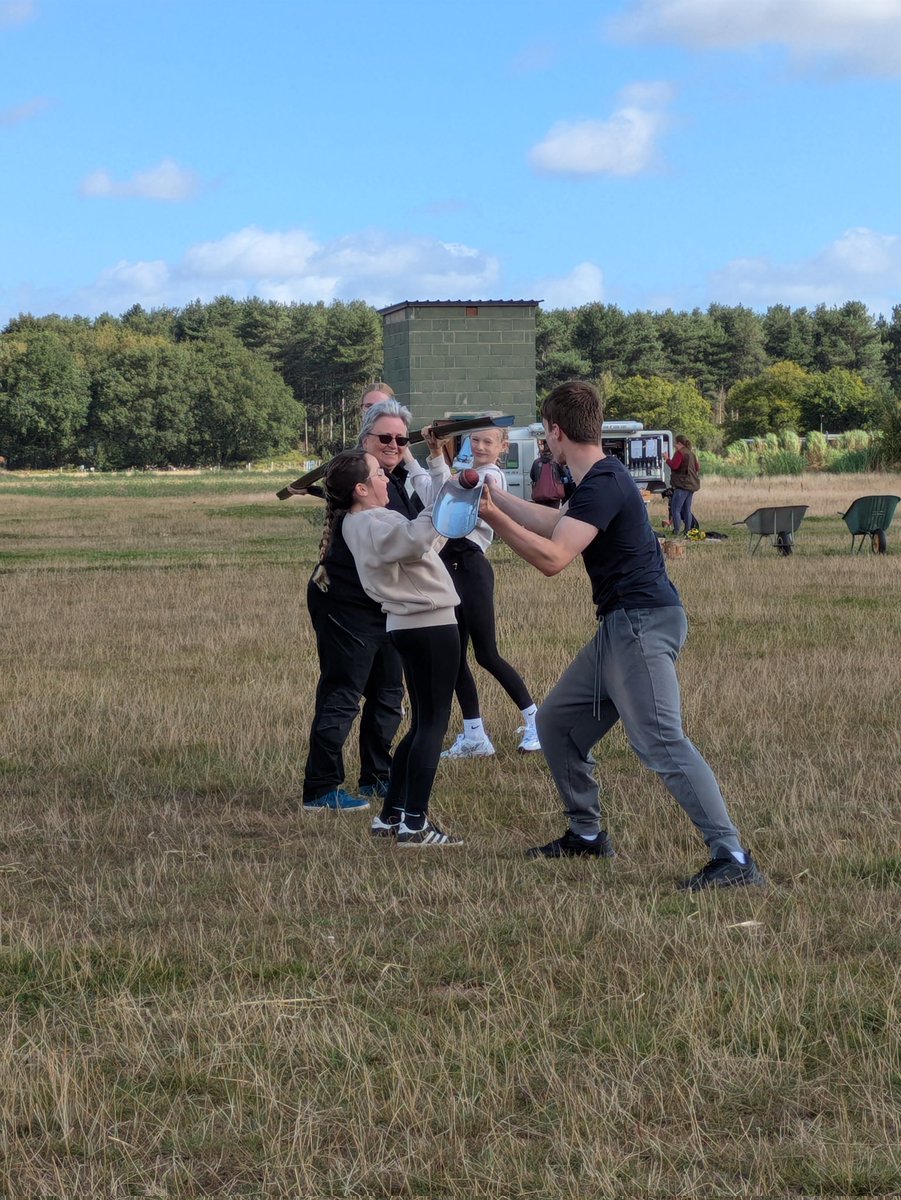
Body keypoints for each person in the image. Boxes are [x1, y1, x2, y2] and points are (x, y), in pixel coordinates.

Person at [478, 380, 765, 891]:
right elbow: (558, 523)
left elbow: (554, 557)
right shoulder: (600, 480)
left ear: (556, 432)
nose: (545, 442)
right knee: (557, 726)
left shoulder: (604, 482)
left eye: (545, 433)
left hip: (641, 623)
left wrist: (493, 519)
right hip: (620, 625)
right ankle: (586, 835)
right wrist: (495, 497)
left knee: (661, 741)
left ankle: (733, 857)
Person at [323, 448, 463, 846]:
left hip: (409, 625)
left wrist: (446, 494)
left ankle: (391, 817)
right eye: (378, 475)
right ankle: (414, 825)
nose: (387, 479)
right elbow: (416, 538)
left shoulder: (363, 522)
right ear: (361, 489)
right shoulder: (373, 521)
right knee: (433, 725)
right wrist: (446, 495)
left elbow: (425, 543)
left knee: (422, 724)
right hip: (429, 624)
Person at [301, 397, 428, 811]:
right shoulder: (358, 478)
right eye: (385, 438)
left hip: (383, 605)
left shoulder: (389, 481)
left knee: (389, 693)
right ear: (365, 438)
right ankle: (321, 788)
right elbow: (413, 536)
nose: (394, 445)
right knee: (343, 693)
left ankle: (376, 776)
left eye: (401, 439)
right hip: (346, 603)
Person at [422, 424, 540, 757]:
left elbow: (449, 495)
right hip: (449, 567)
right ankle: (474, 735)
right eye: (475, 439)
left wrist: (435, 459)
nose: (480, 446)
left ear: (503, 447)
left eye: (488, 441)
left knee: (486, 654)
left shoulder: (490, 478)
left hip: (471, 567)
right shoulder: (468, 473)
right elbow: (436, 497)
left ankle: (536, 721)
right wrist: (427, 454)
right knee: (454, 658)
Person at [665, 435, 701, 535]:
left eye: (675, 443)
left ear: (679, 443)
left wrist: (667, 459)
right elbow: (697, 468)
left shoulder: (680, 453)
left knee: (675, 509)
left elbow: (675, 466)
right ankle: (687, 531)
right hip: (691, 485)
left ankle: (676, 531)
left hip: (682, 485)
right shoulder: (691, 454)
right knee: (687, 510)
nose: (674, 445)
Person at [529, 440, 565, 508]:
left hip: (540, 495)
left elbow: (532, 476)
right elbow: (564, 474)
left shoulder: (536, 462)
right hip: (554, 495)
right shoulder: (557, 461)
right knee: (553, 513)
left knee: (540, 513)